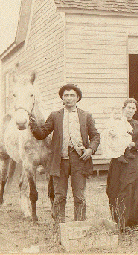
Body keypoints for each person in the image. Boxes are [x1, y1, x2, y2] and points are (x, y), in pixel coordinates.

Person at [29, 84, 100, 223]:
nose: (69, 98)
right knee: (59, 196)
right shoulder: (55, 116)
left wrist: (90, 149)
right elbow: (42, 133)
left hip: (79, 160)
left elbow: (95, 136)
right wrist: (32, 124)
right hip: (59, 160)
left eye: (72, 95)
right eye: (66, 95)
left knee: (79, 196)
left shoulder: (86, 116)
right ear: (62, 98)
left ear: (78, 98)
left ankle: (79, 226)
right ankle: (59, 228)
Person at [106, 98, 138, 230]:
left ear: (135, 110)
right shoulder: (115, 122)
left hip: (131, 161)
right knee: (114, 188)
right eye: (128, 107)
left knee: (129, 189)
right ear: (123, 108)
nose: (130, 110)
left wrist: (134, 144)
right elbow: (108, 138)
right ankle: (117, 219)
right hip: (117, 160)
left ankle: (131, 221)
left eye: (133, 108)